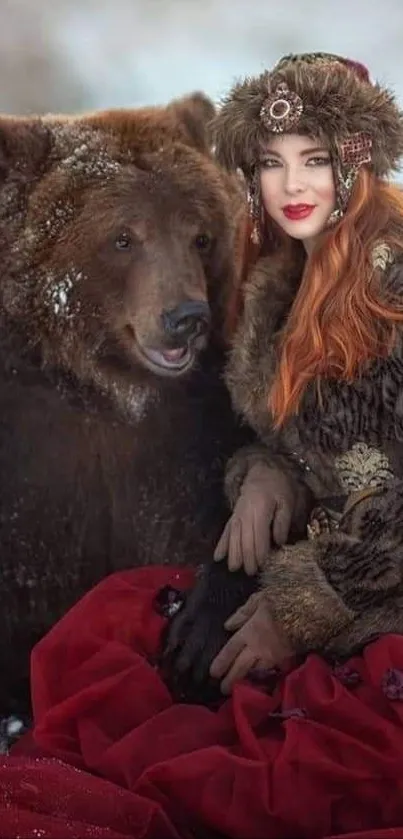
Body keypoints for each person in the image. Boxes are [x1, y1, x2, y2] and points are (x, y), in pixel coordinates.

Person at [208, 51, 403, 693]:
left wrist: (298, 611)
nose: (291, 186)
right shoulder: (279, 286)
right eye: (272, 161)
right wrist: (269, 477)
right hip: (328, 568)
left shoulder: (393, 284)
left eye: (314, 160)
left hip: (375, 601)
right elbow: (326, 448)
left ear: (356, 161)